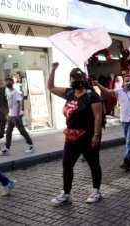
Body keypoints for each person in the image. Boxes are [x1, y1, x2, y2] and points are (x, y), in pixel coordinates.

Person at [47, 63, 103, 205]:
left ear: (84, 79)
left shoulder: (92, 96)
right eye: (73, 78)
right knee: (67, 163)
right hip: (71, 135)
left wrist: (96, 136)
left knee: (93, 163)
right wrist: (53, 69)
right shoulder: (69, 93)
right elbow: (51, 87)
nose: (76, 80)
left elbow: (98, 117)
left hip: (88, 135)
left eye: (79, 77)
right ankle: (66, 193)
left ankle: (96, 190)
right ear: (70, 79)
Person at [94, 76, 130, 171]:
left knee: (129, 141)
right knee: (128, 140)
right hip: (124, 121)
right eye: (127, 81)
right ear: (123, 83)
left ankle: (127, 161)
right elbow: (107, 91)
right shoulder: (119, 91)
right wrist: (98, 84)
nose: (129, 82)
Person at [0, 78, 35, 155]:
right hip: (11, 115)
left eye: (8, 82)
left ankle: (31, 145)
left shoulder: (16, 92)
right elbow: (9, 104)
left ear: (12, 82)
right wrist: (9, 114)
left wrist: (17, 115)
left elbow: (19, 104)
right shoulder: (8, 92)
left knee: (22, 131)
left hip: (16, 115)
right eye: (6, 82)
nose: (7, 83)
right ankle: (7, 147)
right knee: (8, 132)